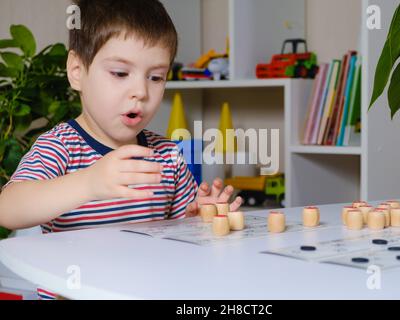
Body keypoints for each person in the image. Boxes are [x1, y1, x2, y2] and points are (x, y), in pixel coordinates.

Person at [0, 0, 242, 299]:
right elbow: (7, 209)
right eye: (120, 73)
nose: (141, 91)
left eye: (155, 77)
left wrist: (200, 216)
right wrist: (90, 182)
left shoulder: (167, 154)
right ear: (77, 71)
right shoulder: (60, 147)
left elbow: (180, 235)